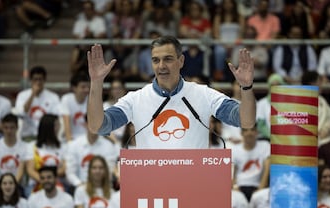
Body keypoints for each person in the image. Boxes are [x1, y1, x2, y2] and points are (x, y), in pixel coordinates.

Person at [87, 35, 256, 149]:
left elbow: (246, 121)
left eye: (168, 59)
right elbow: (97, 126)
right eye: (156, 60)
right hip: (153, 188)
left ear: (181, 61)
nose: (161, 66)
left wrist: (246, 87)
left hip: (195, 185)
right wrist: (96, 82)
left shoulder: (204, 94)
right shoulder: (135, 99)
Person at [0, 113, 33, 203]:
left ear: (17, 128)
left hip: (16, 183)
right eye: (6, 128)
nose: (9, 131)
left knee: (22, 194)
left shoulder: (24, 146)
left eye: (12, 128)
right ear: (2, 128)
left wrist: (12, 186)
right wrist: (0, 186)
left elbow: (21, 170)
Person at [14, 66, 61, 141]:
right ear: (31, 80)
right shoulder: (22, 95)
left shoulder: (53, 97)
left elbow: (55, 118)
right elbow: (22, 113)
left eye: (40, 79)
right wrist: (33, 94)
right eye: (35, 79)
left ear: (44, 80)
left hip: (46, 136)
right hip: (28, 135)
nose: (38, 82)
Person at [26, 114, 68, 196]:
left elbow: (63, 169)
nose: (59, 128)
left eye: (58, 124)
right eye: (56, 125)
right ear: (48, 128)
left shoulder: (63, 147)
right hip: (37, 183)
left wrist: (51, 181)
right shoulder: (32, 146)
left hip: (58, 183)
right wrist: (45, 181)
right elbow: (30, 170)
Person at [231, 125, 270, 200]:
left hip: (258, 186)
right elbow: (232, 173)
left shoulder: (265, 146)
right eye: (246, 130)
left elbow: (266, 170)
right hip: (239, 187)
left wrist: (260, 189)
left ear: (257, 132)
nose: (249, 133)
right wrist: (235, 188)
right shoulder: (235, 150)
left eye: (252, 130)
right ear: (241, 133)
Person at [301, 71, 330, 146]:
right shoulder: (299, 101)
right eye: (319, 82)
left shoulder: (322, 101)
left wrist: (326, 129)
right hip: (305, 140)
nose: (321, 85)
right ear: (312, 83)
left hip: (323, 138)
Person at [60, 73, 90, 143]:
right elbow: (66, 124)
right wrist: (70, 143)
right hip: (71, 138)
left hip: (87, 140)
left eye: (88, 87)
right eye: (83, 87)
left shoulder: (92, 100)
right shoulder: (66, 99)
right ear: (74, 88)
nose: (86, 90)